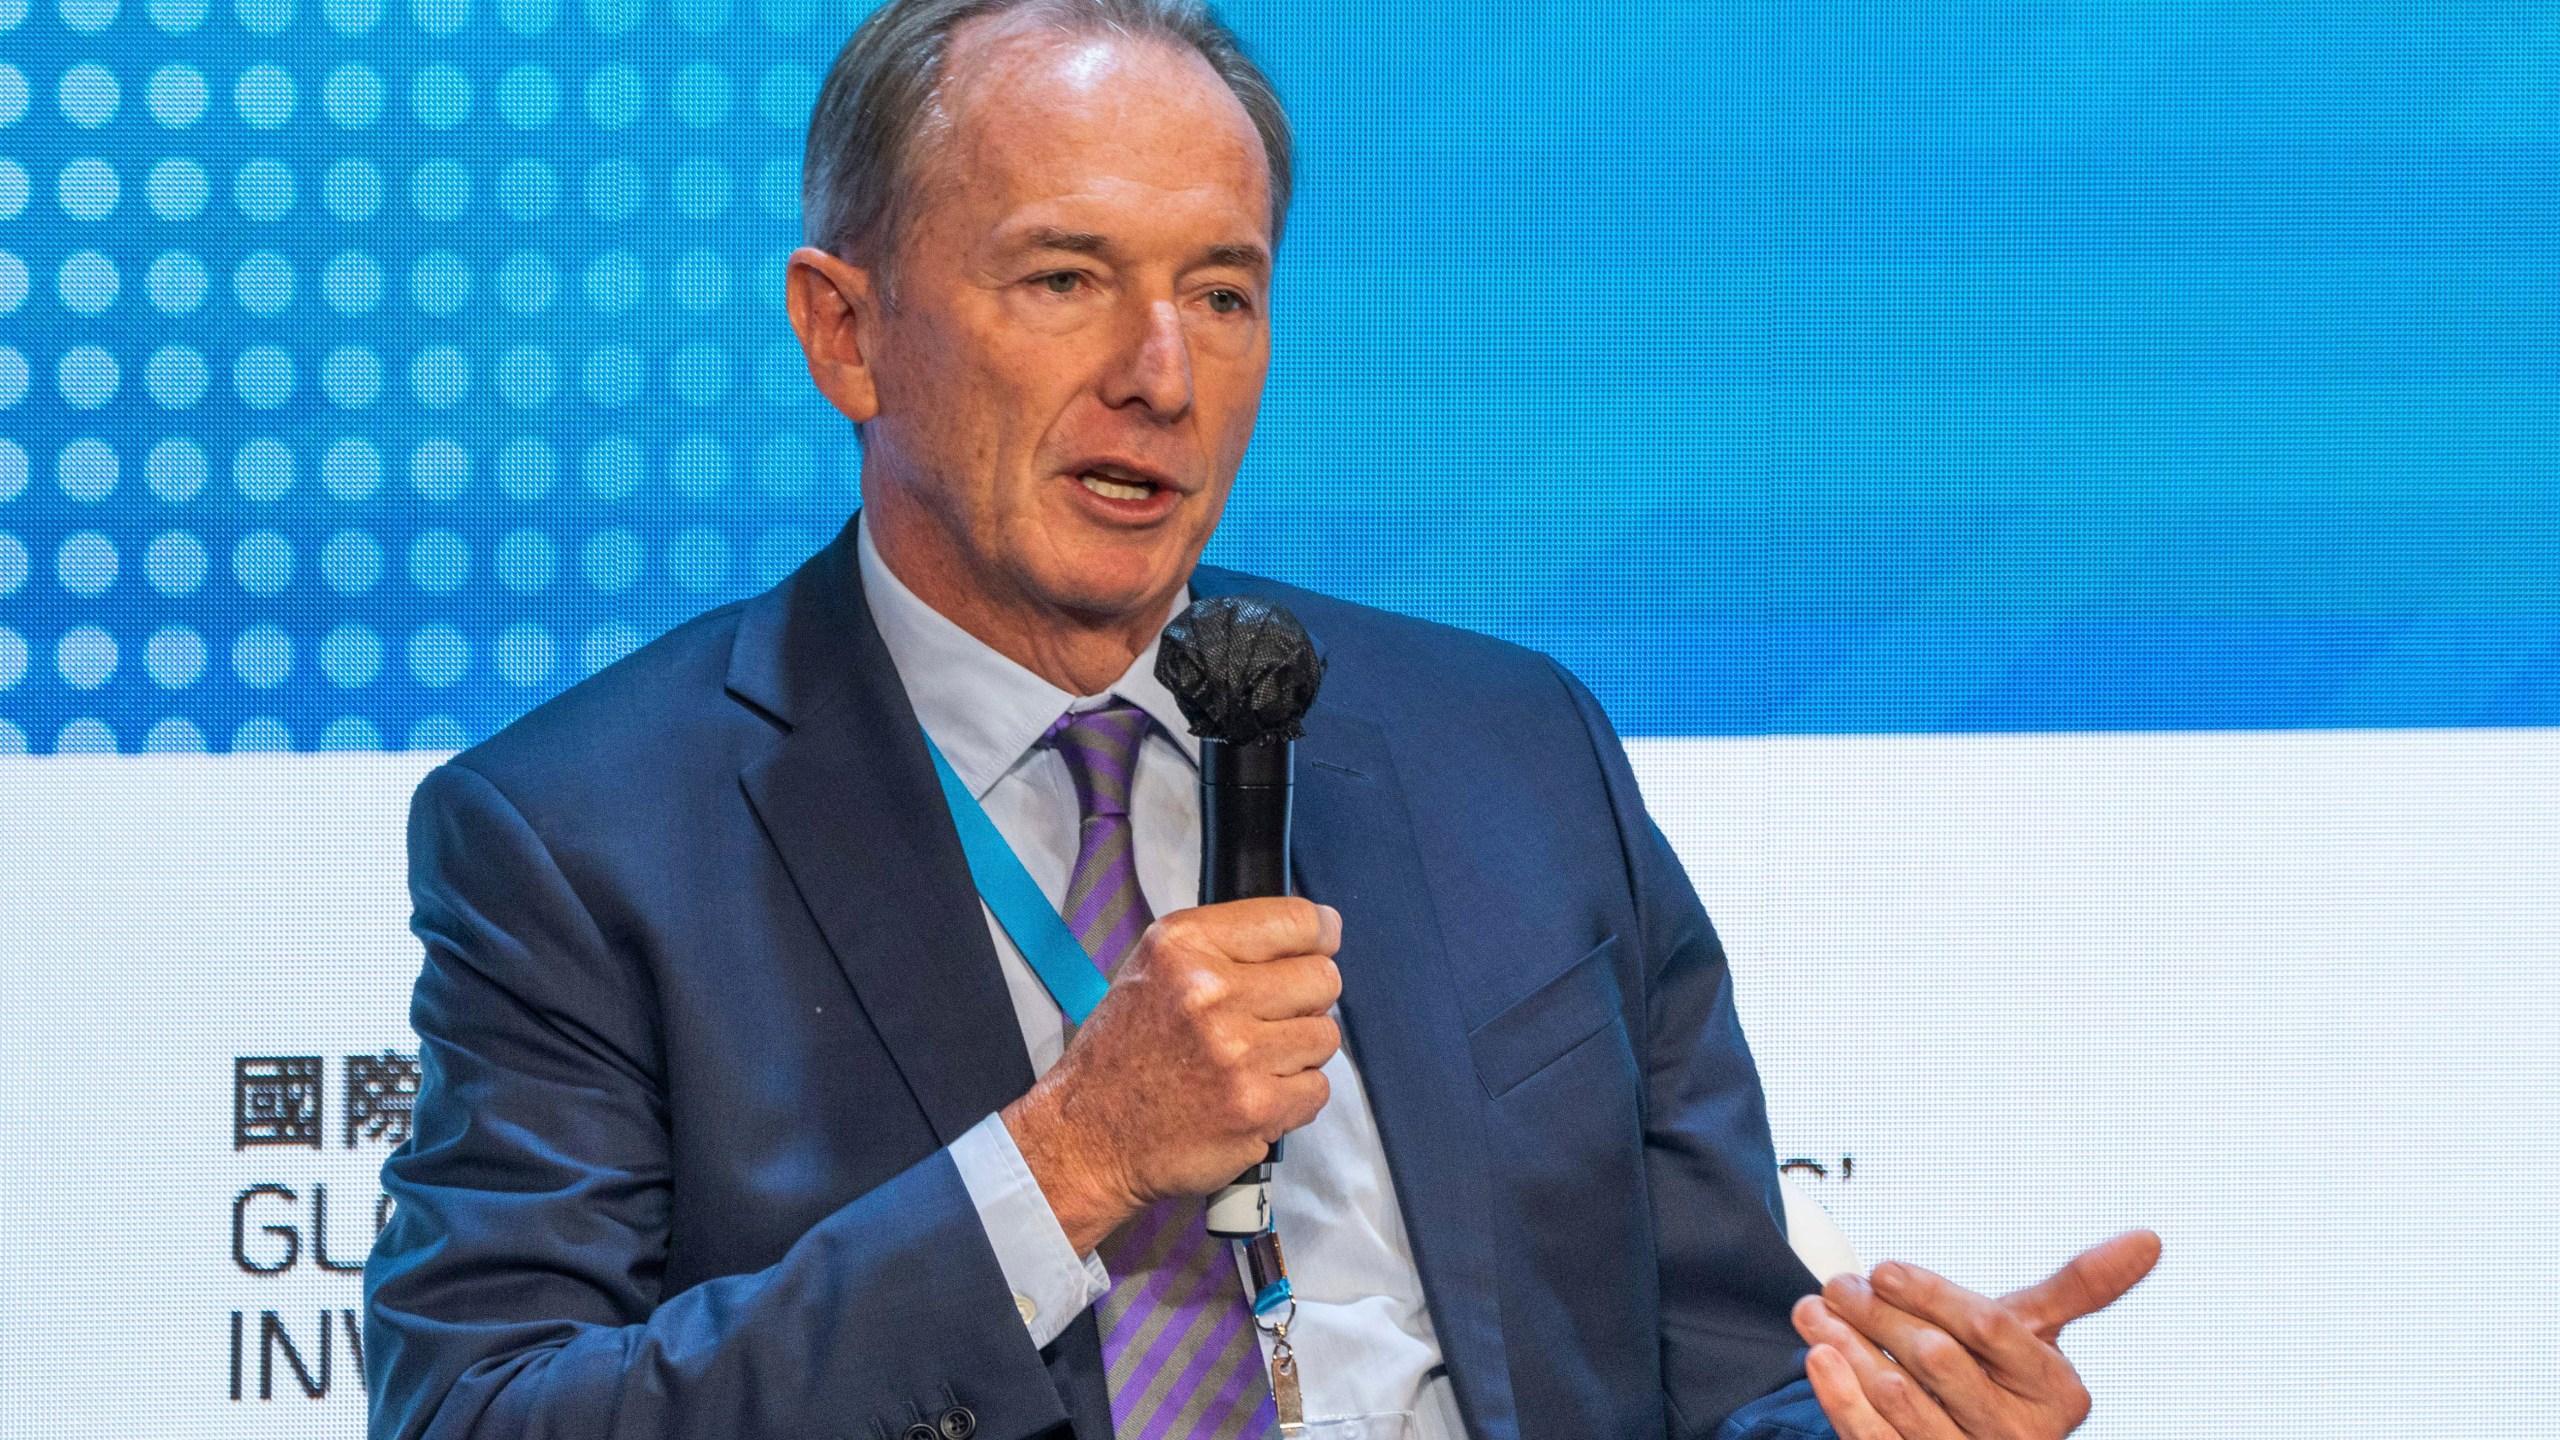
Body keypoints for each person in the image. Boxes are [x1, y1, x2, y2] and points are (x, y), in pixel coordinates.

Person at [363, 2, 2159, 1438]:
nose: (1160, 370)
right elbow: (488, 1414)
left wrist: (1875, 1428)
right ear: (848, 334)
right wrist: (1067, 1163)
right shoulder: (589, 830)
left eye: (1221, 290)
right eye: (1065, 277)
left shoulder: (1511, 751)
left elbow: (1723, 1373)